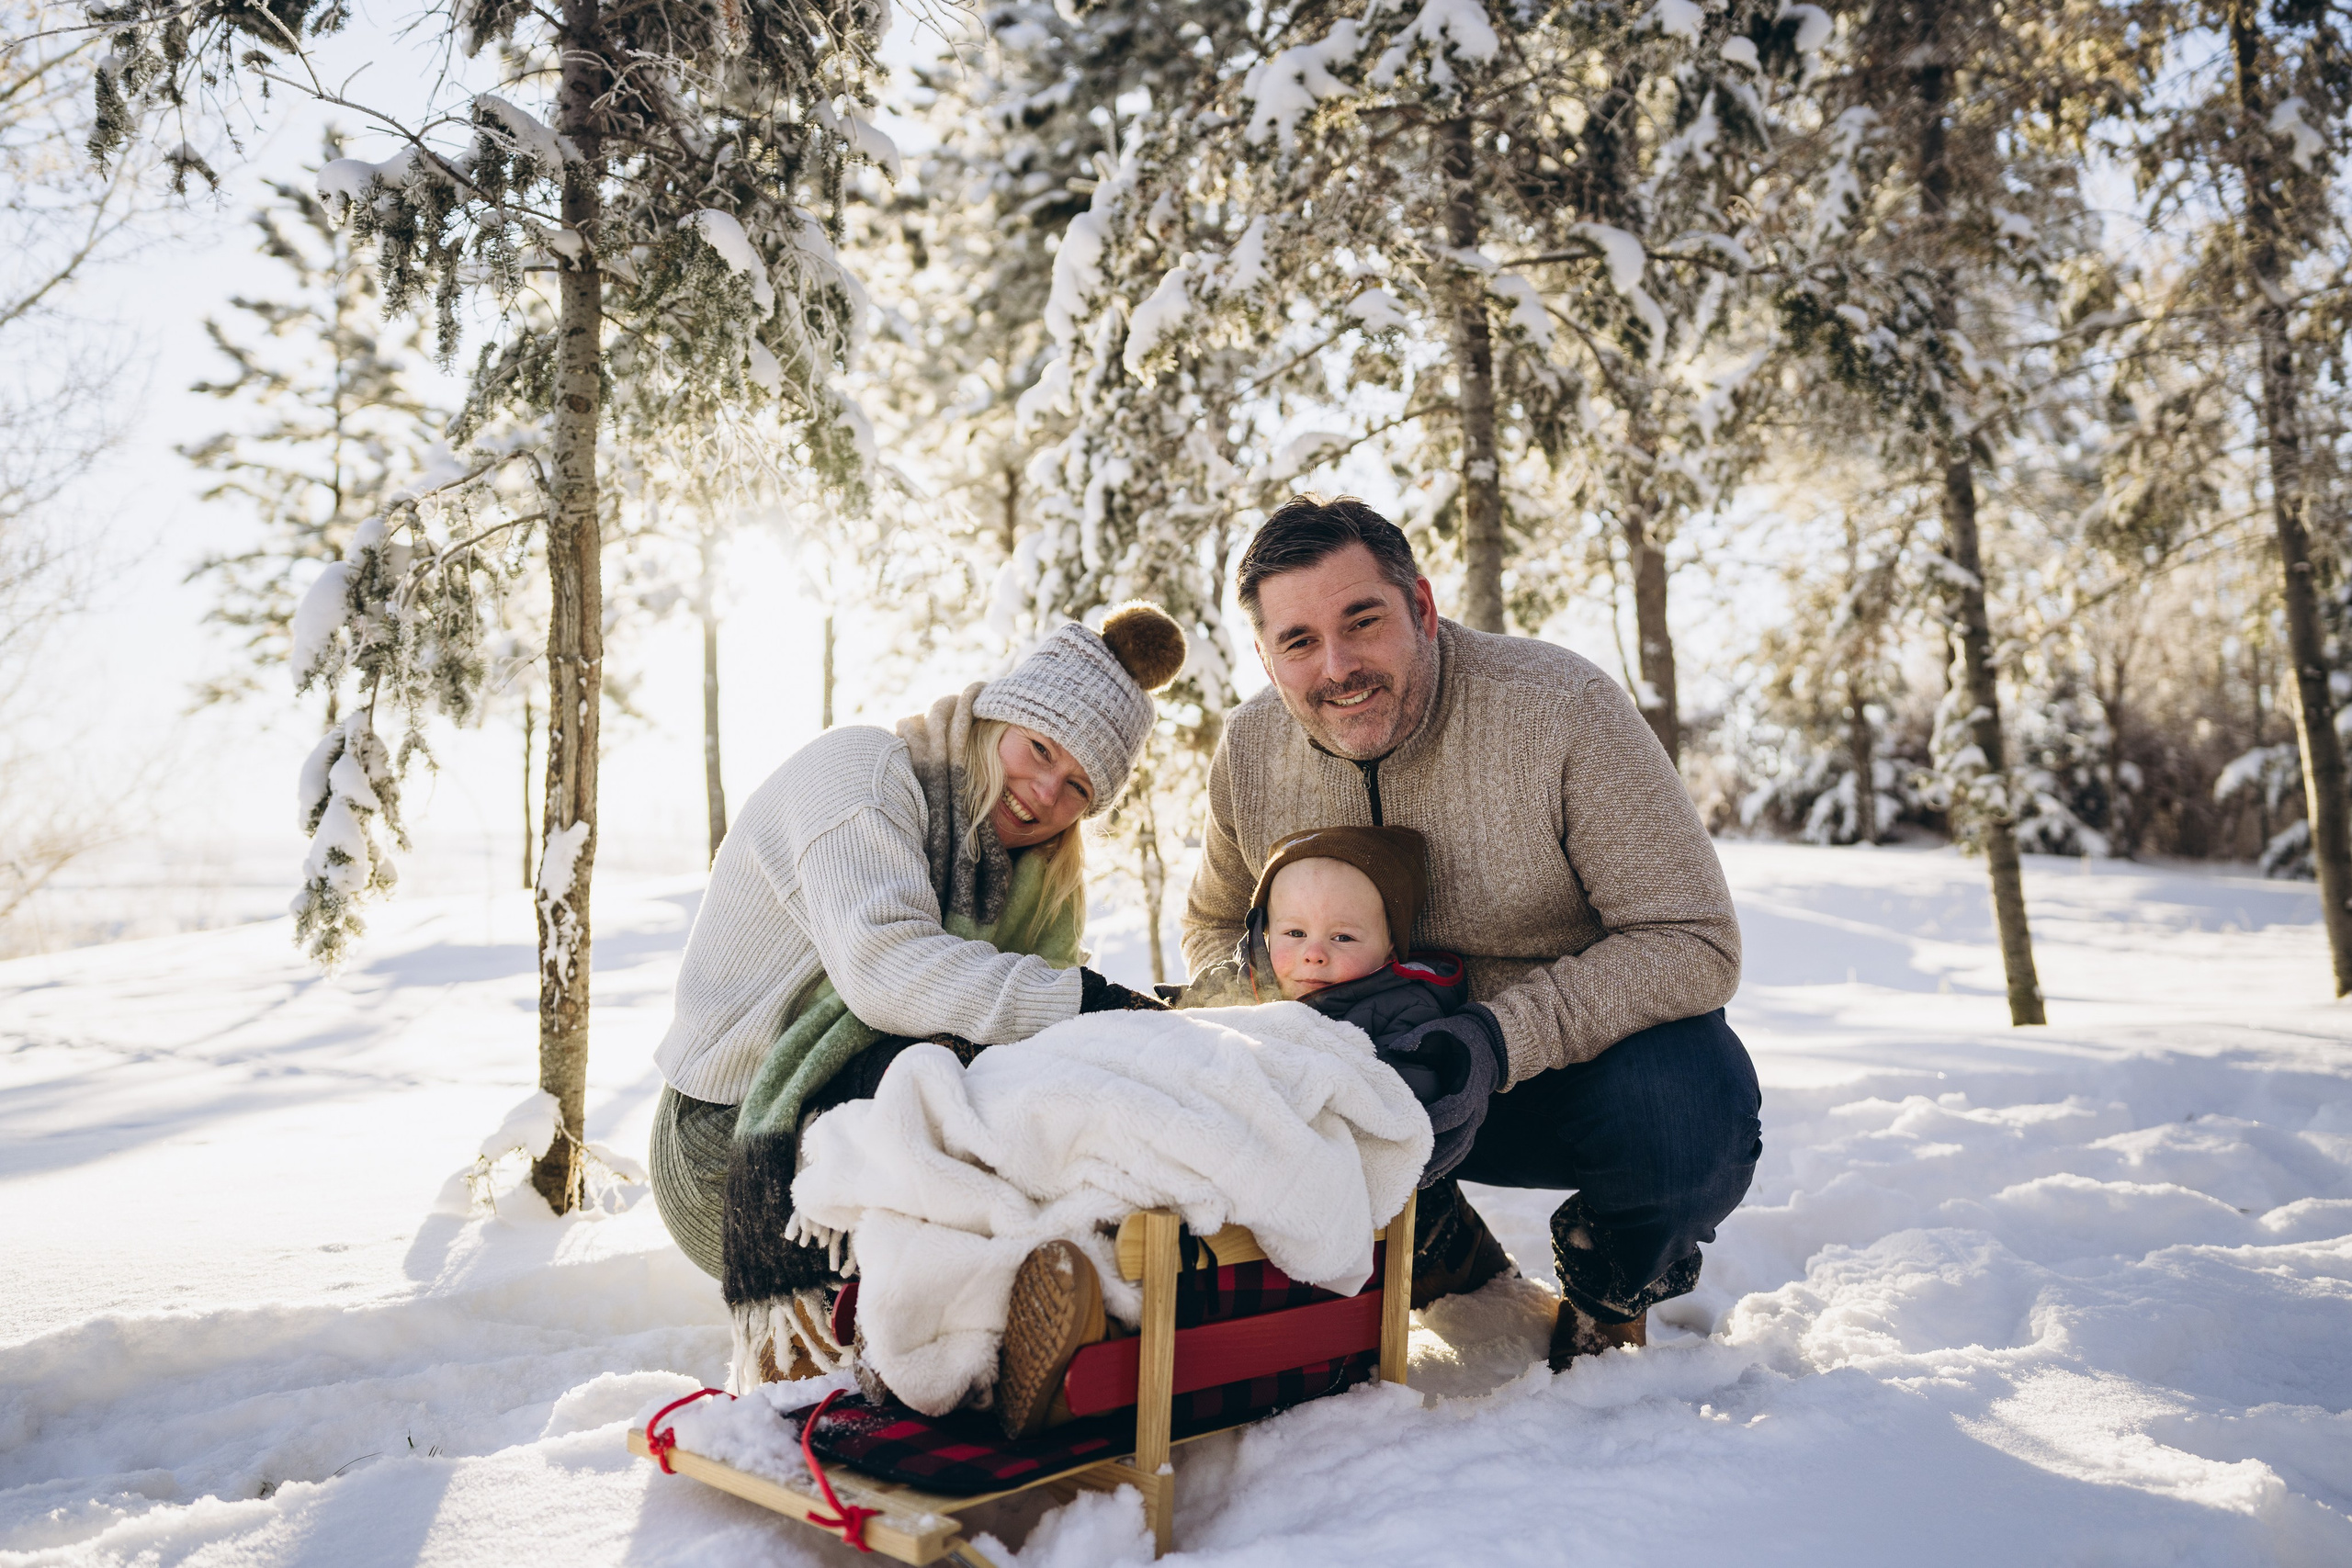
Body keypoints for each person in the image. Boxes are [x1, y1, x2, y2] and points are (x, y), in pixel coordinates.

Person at [1182, 494, 1761, 1370]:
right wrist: (1281, 1017)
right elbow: (1216, 923)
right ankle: (1435, 1239)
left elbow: (1691, 936)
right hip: (1365, 1075)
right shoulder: (1253, 748)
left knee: (1691, 1112)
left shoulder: (1560, 709)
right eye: (1298, 641)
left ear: (1421, 605)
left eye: (1362, 620)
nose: (1337, 666)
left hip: (1554, 1072)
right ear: (1266, 658)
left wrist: (1493, 1038)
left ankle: (1608, 1289)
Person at [648, 603, 1185, 1387]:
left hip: (857, 1113)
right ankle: (954, 1350)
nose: (1044, 792)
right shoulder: (861, 775)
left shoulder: (1029, 876)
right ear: (996, 712)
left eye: (1078, 786)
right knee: (950, 1074)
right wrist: (1088, 1002)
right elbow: (889, 972)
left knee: (1035, 1105)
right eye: (1039, 748)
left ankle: (1057, 1327)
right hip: (733, 1142)